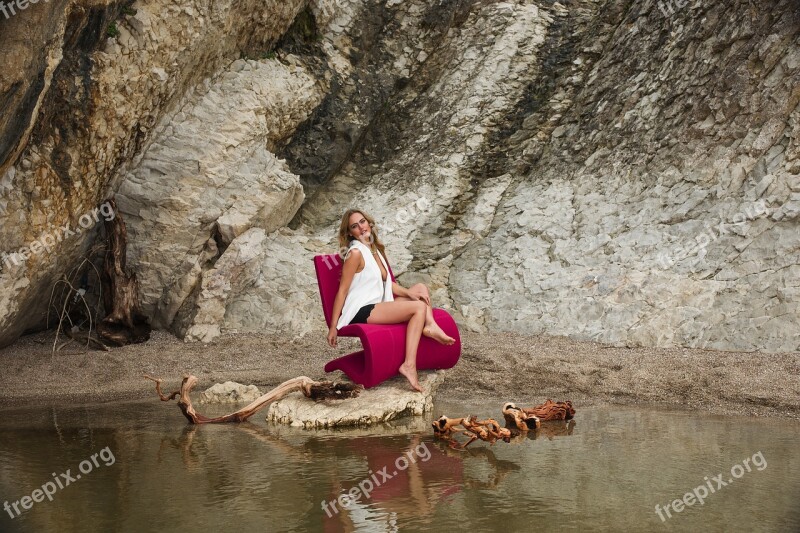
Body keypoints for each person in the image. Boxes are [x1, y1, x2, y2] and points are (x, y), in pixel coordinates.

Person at [327, 209, 455, 392]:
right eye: (354, 226)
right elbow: (342, 291)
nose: (361, 227)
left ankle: (430, 325)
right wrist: (333, 326)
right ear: (349, 233)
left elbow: (388, 283)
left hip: (379, 303)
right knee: (419, 307)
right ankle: (409, 365)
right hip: (362, 309)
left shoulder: (373, 250)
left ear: (368, 223)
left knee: (420, 289)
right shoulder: (355, 253)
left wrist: (409, 293)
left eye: (362, 222)